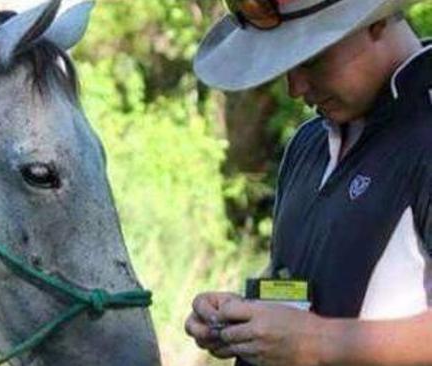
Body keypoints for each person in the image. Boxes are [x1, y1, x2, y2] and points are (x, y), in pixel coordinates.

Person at [185, 0, 432, 365]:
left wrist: (316, 342)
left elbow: (310, 337)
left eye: (311, 59)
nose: (295, 88)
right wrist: (243, 318)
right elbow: (299, 281)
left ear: (375, 24)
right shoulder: (308, 144)